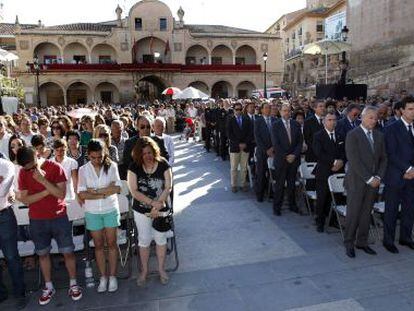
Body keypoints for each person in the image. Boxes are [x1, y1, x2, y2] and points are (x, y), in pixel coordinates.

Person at [16, 146, 82, 305]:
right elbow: (25, 200)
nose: (30, 170)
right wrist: (47, 191)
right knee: (43, 254)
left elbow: (60, 194)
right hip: (37, 219)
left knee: (68, 252)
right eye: (26, 168)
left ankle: (73, 284)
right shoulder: (23, 172)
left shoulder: (55, 168)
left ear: (36, 156)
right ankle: (48, 286)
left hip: (59, 217)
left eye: (32, 166)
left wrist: (43, 181)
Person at [127, 137, 172, 286]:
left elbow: (168, 186)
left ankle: (161, 269)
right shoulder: (134, 167)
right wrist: (152, 203)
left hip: (160, 209)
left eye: (150, 152)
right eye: (144, 153)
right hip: (142, 210)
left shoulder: (163, 163)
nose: (148, 155)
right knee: (144, 240)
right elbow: (133, 191)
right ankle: (144, 271)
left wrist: (158, 205)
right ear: (139, 154)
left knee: (161, 238)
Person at [344, 106, 387, 258]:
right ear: (362, 117)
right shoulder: (352, 135)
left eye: (376, 118)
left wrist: (379, 178)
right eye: (371, 117)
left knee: (366, 213)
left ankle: (362, 242)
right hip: (357, 182)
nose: (374, 121)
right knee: (353, 213)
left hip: (374, 183)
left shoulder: (379, 135)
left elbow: (384, 159)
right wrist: (369, 178)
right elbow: (354, 160)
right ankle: (349, 242)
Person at [78, 139, 121, 293]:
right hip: (93, 212)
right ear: (88, 155)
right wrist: (103, 192)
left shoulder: (113, 166)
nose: (97, 160)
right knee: (98, 245)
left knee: (112, 243)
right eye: (93, 157)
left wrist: (94, 192)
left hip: (110, 209)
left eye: (100, 157)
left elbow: (116, 188)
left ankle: (113, 276)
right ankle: (103, 276)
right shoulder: (83, 170)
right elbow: (82, 194)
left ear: (104, 154)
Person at [383, 96, 414, 253]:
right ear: (402, 110)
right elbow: (391, 153)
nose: (413, 112)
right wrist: (408, 169)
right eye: (410, 109)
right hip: (396, 176)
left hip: (412, 178)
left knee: (409, 209)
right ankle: (388, 241)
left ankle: (406, 237)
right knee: (392, 210)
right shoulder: (391, 128)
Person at [0, 157, 26, 310]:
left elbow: (3, 191)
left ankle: (20, 293)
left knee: (11, 256)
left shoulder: (6, 165)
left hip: (4, 215)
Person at [312, 112, 345, 232]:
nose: (332, 122)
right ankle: (320, 221)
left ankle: (333, 220)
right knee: (322, 198)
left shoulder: (341, 135)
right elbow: (319, 153)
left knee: (336, 198)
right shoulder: (318, 135)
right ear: (324, 122)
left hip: (338, 171)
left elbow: (344, 151)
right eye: (330, 120)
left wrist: (341, 161)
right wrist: (334, 162)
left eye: (334, 120)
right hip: (324, 171)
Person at [271, 103, 303, 216]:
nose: (286, 113)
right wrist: (286, 156)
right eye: (284, 111)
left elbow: (300, 142)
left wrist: (293, 155)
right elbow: (276, 144)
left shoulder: (296, 124)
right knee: (279, 185)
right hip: (281, 160)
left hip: (293, 160)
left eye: (288, 111)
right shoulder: (275, 125)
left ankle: (292, 205)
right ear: (280, 112)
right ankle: (277, 207)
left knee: (291, 184)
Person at [227, 102, 253, 193]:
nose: (238, 111)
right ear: (233, 110)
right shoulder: (230, 120)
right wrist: (239, 144)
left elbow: (250, 133)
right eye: (236, 109)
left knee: (244, 167)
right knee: (234, 167)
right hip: (235, 147)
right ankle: (234, 185)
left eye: (240, 109)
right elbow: (230, 134)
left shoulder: (247, 119)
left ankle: (242, 184)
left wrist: (245, 143)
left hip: (245, 147)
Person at [254, 102, 276, 202]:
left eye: (269, 108)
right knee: (261, 174)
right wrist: (266, 150)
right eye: (266, 108)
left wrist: (273, 148)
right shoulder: (257, 121)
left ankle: (271, 193)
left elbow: (278, 136)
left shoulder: (275, 120)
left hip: (274, 151)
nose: (268, 110)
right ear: (262, 110)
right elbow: (257, 138)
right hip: (262, 152)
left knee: (273, 173)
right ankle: (260, 194)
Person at [51, 139, 80, 203]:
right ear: (54, 150)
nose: (59, 153)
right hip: (54, 197)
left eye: (62, 150)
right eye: (57, 150)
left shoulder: (72, 162)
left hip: (69, 196)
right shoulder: (49, 162)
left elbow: (75, 181)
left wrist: (77, 195)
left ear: (66, 149)